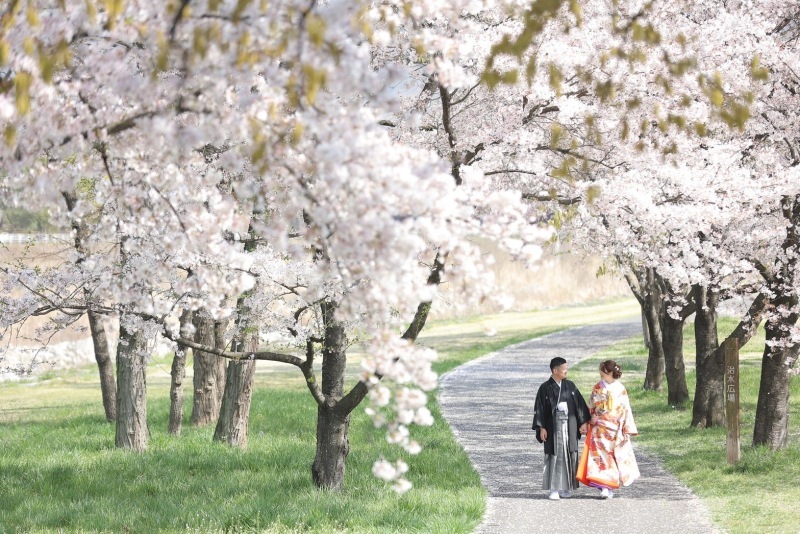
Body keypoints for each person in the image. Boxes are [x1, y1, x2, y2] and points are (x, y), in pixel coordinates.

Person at [532, 357, 591, 500]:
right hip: (553, 427)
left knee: (570, 455)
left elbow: (580, 405)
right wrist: (541, 428)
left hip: (569, 425)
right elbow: (539, 409)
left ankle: (567, 487)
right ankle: (554, 489)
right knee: (554, 456)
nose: (566, 371)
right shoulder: (545, 388)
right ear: (555, 370)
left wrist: (583, 422)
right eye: (564, 369)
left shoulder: (570, 386)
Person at [583, 359, 640, 499]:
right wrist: (589, 419)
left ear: (609, 372)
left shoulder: (621, 389)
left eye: (603, 373)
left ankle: (611, 486)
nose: (601, 375)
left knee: (614, 457)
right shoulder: (598, 386)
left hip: (615, 428)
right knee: (601, 457)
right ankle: (604, 486)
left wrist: (627, 429)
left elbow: (626, 409)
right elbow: (591, 405)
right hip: (599, 428)